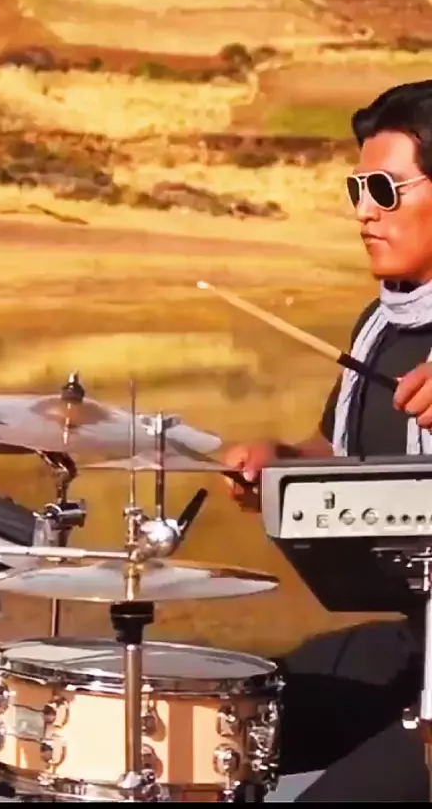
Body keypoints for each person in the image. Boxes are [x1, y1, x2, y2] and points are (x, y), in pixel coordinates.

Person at [223, 80, 432, 801]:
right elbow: (340, 455)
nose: (364, 211)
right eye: (357, 189)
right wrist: (280, 463)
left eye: (385, 189)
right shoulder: (381, 324)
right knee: (212, 725)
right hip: (418, 638)